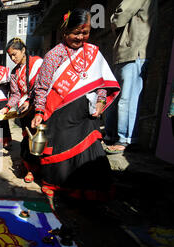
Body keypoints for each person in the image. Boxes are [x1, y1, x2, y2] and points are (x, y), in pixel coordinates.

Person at [32, 8, 121, 206]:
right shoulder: (54, 56)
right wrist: (39, 111)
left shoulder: (92, 53)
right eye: (76, 33)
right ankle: (57, 187)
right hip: (59, 114)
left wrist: (100, 102)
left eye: (85, 32)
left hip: (85, 115)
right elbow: (42, 87)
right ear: (65, 32)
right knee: (60, 155)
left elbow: (101, 84)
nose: (81, 37)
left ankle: (86, 194)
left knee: (89, 152)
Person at [104, 0, 157, 154]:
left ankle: (125, 139)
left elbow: (120, 16)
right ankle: (113, 136)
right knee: (121, 97)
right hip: (131, 51)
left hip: (133, 51)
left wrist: (113, 19)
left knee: (127, 98)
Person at [4, 37, 43, 183]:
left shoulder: (37, 64)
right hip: (24, 109)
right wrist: (7, 107)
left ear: (23, 50)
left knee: (38, 139)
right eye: (10, 56)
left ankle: (36, 169)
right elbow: (15, 94)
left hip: (38, 107)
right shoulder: (14, 73)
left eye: (15, 54)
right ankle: (28, 167)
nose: (13, 58)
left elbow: (42, 87)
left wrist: (30, 101)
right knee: (27, 138)